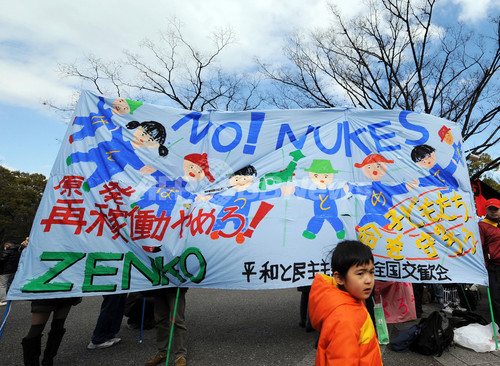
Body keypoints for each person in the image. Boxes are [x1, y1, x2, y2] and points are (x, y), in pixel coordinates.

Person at [308, 240, 382, 366]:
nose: (369, 280)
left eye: (371, 272)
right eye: (360, 273)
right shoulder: (345, 318)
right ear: (339, 278)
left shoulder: (352, 301)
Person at [20, 237, 82, 366]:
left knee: (58, 326)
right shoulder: (43, 232)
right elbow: (27, 256)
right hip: (45, 289)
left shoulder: (75, 236)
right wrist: (25, 247)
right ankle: (32, 363)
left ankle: (48, 360)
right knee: (36, 328)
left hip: (66, 288)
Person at [145, 288, 188, 366]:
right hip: (159, 287)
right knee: (160, 320)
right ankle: (162, 352)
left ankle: (180, 355)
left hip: (175, 287)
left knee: (178, 321)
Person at [479, 198, 500, 325]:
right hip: (495, 267)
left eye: (496, 209)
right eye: (490, 209)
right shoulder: (482, 225)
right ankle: (498, 326)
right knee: (497, 298)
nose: (493, 212)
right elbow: (479, 246)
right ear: (486, 210)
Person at [0, 240, 21, 305]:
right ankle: (14, 296)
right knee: (11, 283)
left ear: (7, 245)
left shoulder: (7, 252)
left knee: (2, 285)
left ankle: (3, 300)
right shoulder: (17, 252)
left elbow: (1, 260)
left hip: (5, 271)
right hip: (14, 270)